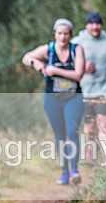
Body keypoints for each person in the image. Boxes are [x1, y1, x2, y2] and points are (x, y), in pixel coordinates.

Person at [21, 18, 85, 185]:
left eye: (66, 34)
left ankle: (74, 170)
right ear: (54, 34)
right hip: (52, 99)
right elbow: (26, 57)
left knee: (72, 132)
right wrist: (36, 63)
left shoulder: (76, 50)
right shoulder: (48, 49)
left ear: (70, 35)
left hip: (73, 98)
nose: (63, 37)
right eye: (60, 33)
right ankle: (64, 172)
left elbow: (78, 74)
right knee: (60, 136)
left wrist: (55, 70)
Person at [71, 11, 106, 168]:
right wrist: (82, 67)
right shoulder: (78, 42)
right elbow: (67, 60)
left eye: (97, 24)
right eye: (91, 24)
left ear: (101, 25)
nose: (95, 27)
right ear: (86, 25)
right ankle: (90, 152)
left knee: (104, 123)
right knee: (89, 127)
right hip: (86, 91)